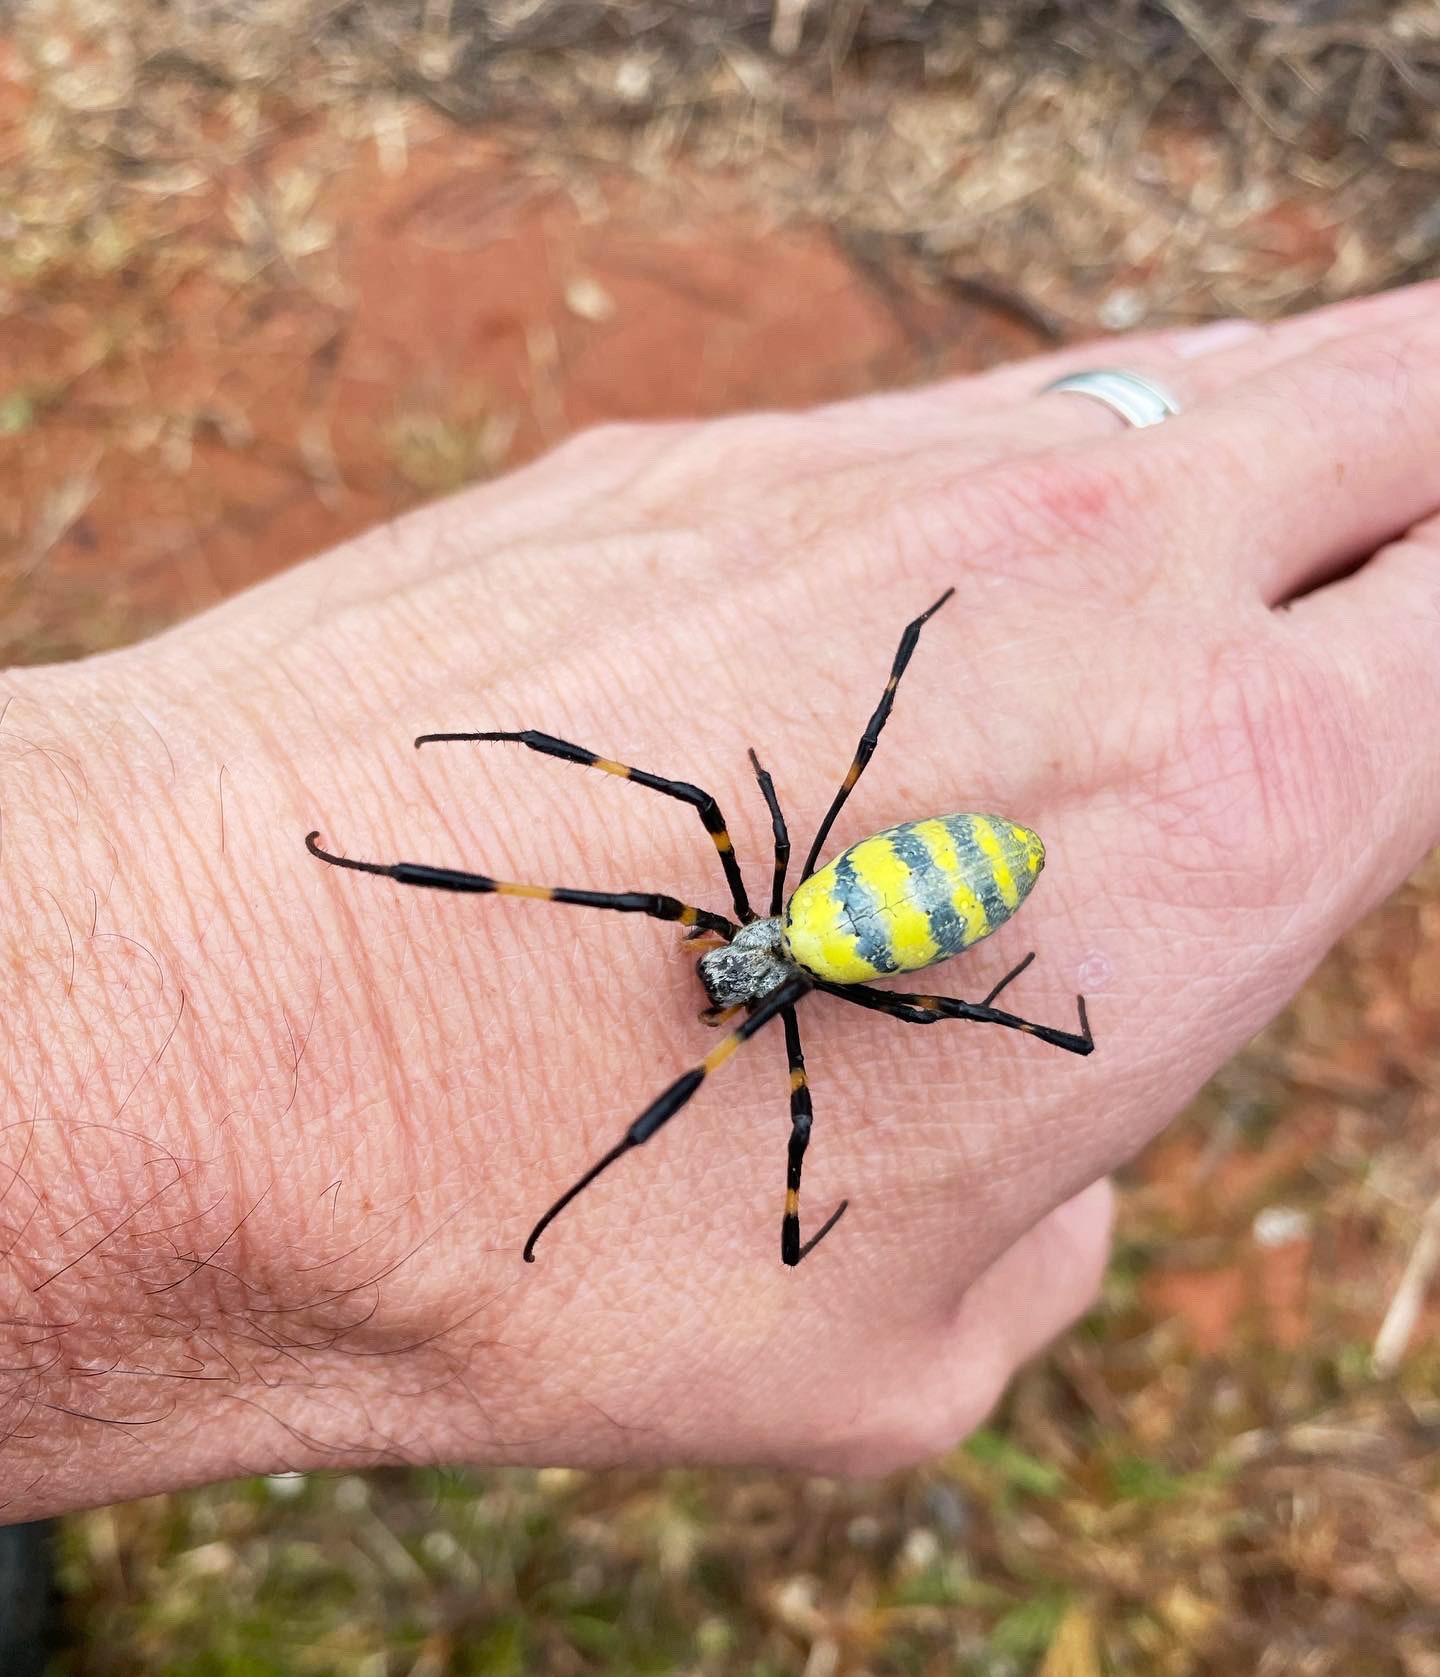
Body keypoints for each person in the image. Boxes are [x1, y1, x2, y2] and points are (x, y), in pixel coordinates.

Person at [1, 284, 1437, 1522]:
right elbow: (666, 848)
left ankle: (574, 1155)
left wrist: (841, 1144)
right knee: (697, 880)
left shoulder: (773, 953)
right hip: (889, 903)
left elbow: (681, 865)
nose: (725, 975)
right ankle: (420, 897)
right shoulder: (775, 935)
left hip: (916, 897)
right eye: (738, 962)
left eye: (738, 964)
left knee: (691, 898)